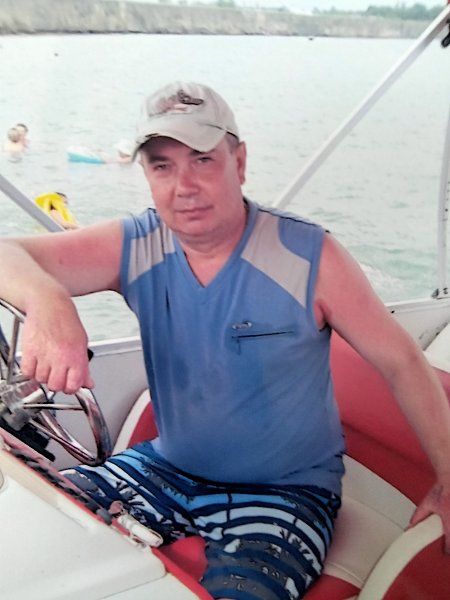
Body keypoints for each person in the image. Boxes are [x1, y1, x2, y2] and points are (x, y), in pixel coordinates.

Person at [0, 81, 450, 600]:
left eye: (202, 160)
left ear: (239, 162)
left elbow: (401, 362)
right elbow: (9, 253)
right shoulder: (136, 244)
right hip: (163, 467)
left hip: (283, 494)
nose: (184, 186)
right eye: (162, 166)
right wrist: (50, 303)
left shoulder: (308, 256)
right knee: (37, 538)